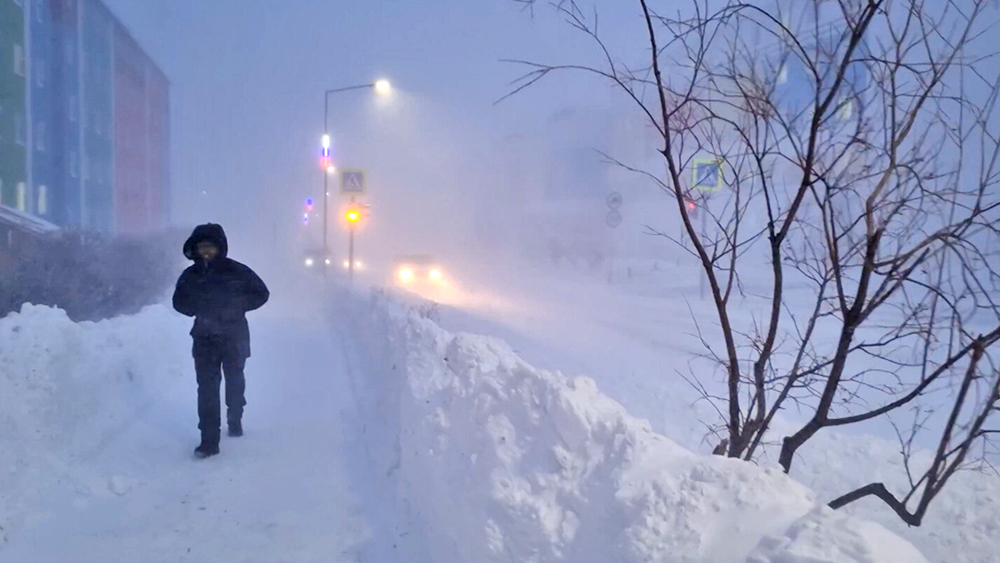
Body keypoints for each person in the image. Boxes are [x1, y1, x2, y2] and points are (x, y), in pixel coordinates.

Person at [172, 223, 269, 459]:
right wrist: (197, 310)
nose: (206, 253)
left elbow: (262, 293)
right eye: (202, 248)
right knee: (207, 390)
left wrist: (238, 306)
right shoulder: (190, 275)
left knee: (234, 381)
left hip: (234, 336)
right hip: (204, 339)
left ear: (220, 248)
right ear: (195, 249)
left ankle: (235, 415)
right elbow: (179, 302)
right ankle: (208, 441)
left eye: (211, 248)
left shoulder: (236, 271)